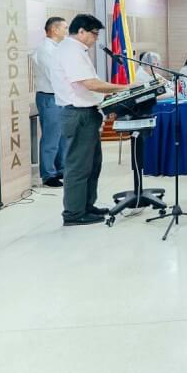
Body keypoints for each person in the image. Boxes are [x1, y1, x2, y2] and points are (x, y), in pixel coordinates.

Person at [49, 14, 132, 226]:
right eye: (94, 33)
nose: (96, 38)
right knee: (79, 166)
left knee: (93, 164)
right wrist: (125, 88)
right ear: (81, 31)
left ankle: (87, 206)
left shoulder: (77, 51)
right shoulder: (70, 51)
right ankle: (74, 214)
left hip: (87, 112)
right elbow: (90, 84)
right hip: (78, 114)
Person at [32, 16, 69, 188]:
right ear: (54, 29)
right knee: (51, 137)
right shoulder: (45, 49)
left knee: (62, 135)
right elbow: (54, 75)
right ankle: (48, 175)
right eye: (64, 28)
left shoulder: (58, 47)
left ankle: (60, 168)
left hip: (60, 96)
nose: (66, 31)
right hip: (50, 97)